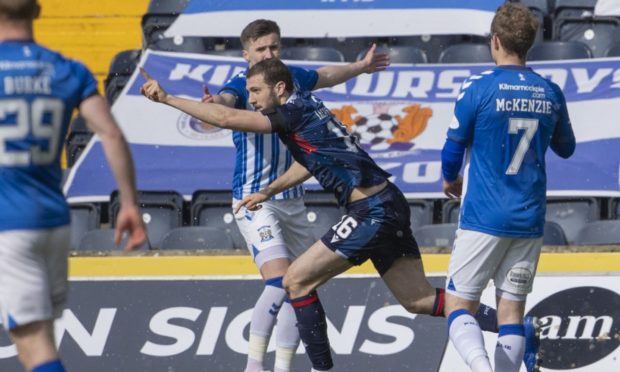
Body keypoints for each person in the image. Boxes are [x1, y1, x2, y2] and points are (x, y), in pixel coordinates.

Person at [140, 57, 532, 371]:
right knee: (418, 300)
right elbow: (314, 162)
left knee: (295, 282)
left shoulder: (289, 113)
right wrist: (268, 190)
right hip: (388, 203)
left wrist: (168, 98)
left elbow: (226, 119)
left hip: (372, 211)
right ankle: (513, 327)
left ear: (279, 88)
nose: (252, 98)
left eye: (256, 91)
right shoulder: (307, 106)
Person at [200, 19, 390, 372]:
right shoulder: (243, 87)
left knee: (302, 286)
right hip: (254, 199)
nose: (269, 54)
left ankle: (283, 367)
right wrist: (211, 108)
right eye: (261, 50)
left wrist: (361, 67)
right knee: (279, 280)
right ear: (246, 55)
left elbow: (327, 75)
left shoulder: (289, 78)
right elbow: (224, 105)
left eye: (274, 47)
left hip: (293, 199)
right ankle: (254, 365)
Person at [0, 1, 147, 371]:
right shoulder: (67, 70)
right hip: (53, 220)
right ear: (36, 11)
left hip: (8, 225)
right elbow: (110, 134)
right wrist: (128, 204)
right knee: (41, 336)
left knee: (34, 346)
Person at [440, 3, 575, 372]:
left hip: (483, 214)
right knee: (511, 312)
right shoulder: (550, 91)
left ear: (495, 41)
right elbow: (567, 148)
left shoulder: (478, 87)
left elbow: (452, 148)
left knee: (458, 306)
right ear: (529, 45)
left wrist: (450, 178)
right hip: (529, 217)